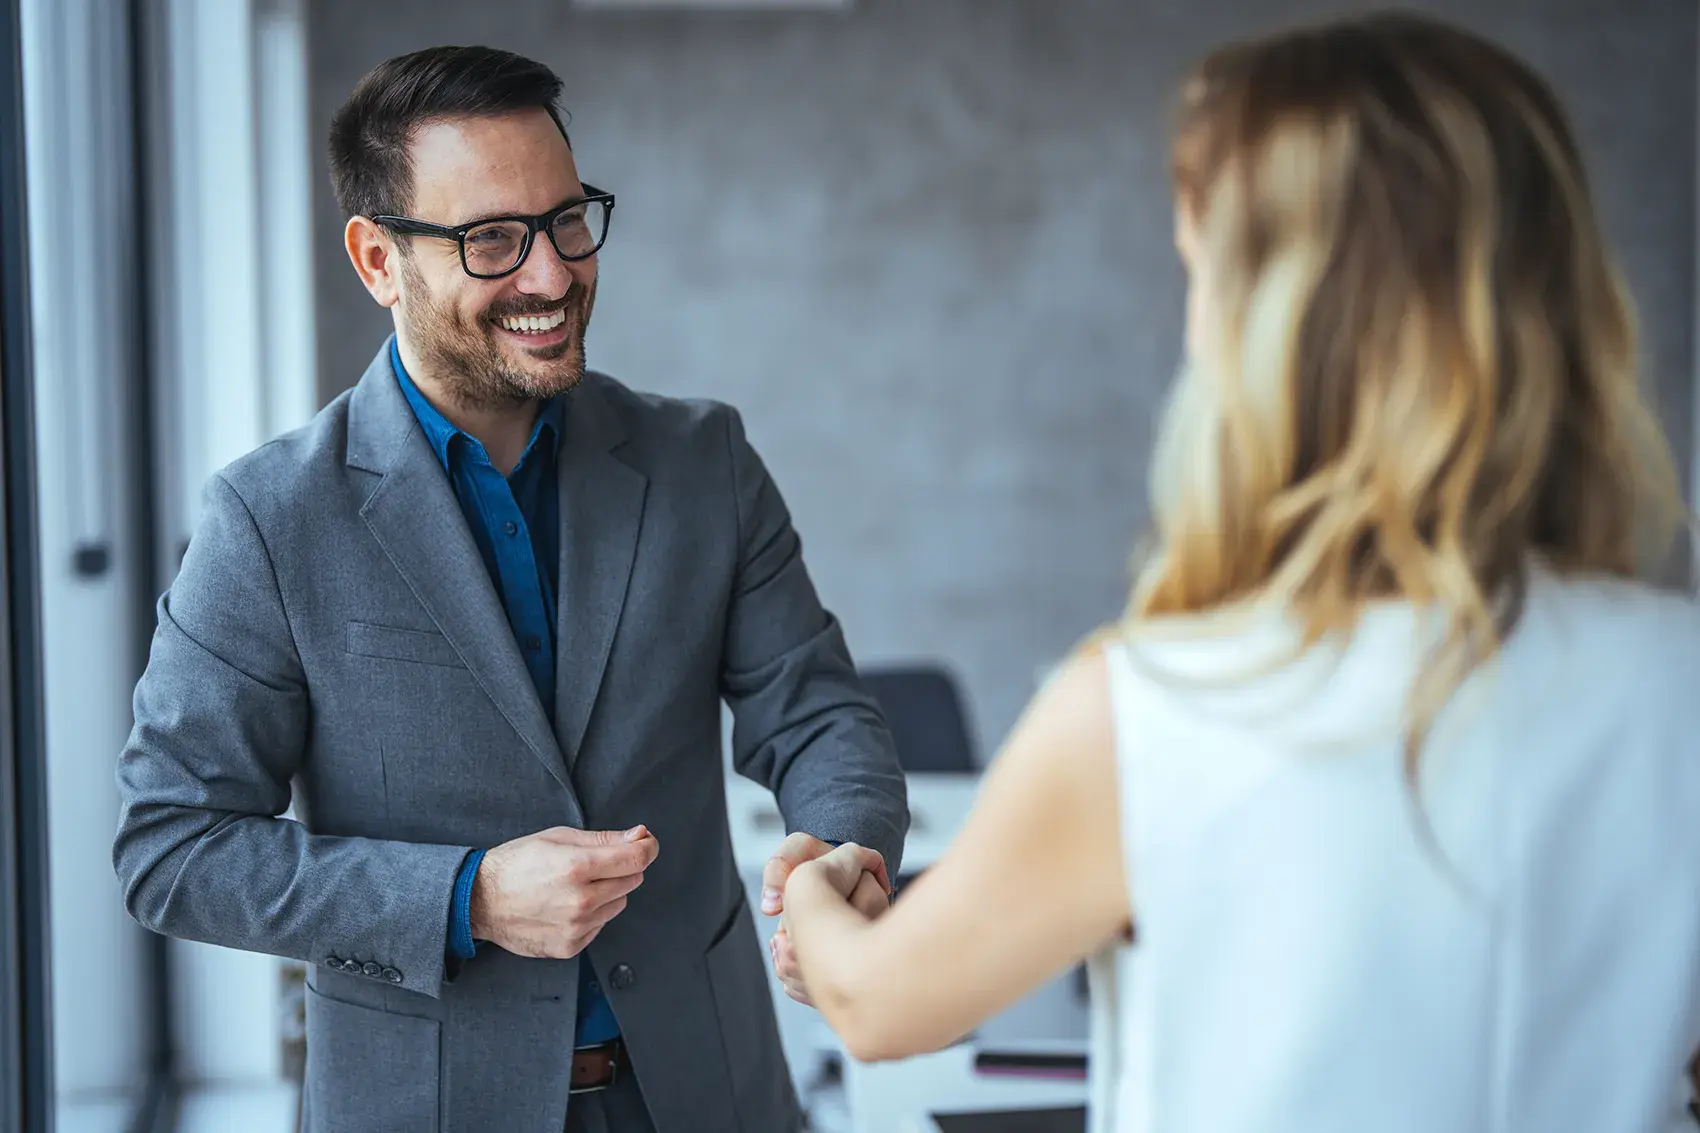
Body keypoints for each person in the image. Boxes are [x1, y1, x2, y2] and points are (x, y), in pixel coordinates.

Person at [781, 12, 1700, 1133]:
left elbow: (877, 1003)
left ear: (1273, 327)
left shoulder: (1152, 706)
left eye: (1196, 271)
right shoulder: (1673, 680)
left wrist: (813, 897)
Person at [112, 45, 906, 1133]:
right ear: (378, 260)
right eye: (491, 240)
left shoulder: (701, 459)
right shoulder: (271, 518)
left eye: (567, 219)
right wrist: (465, 895)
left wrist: (848, 844)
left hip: (708, 1089)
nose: (550, 274)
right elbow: (172, 845)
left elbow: (816, 714)